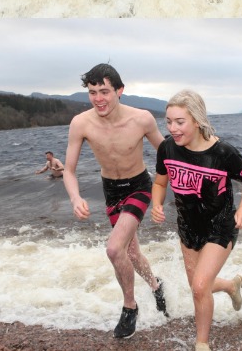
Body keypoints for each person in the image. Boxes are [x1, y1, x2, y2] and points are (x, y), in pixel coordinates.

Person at [63, 63, 168, 338]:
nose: (98, 98)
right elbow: (69, 170)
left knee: (113, 249)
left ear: (120, 91)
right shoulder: (81, 123)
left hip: (139, 187)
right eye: (92, 92)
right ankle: (157, 286)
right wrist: (75, 197)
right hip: (111, 190)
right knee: (129, 253)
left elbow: (167, 153)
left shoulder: (142, 119)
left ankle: (129, 307)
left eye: (105, 91)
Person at [151, 90, 242, 351]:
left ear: (197, 120)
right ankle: (232, 285)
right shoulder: (167, 148)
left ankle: (202, 344)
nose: (172, 128)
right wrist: (157, 203)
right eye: (168, 121)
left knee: (199, 286)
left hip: (220, 226)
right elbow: (161, 181)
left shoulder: (223, 153)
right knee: (199, 286)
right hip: (188, 227)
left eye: (180, 122)